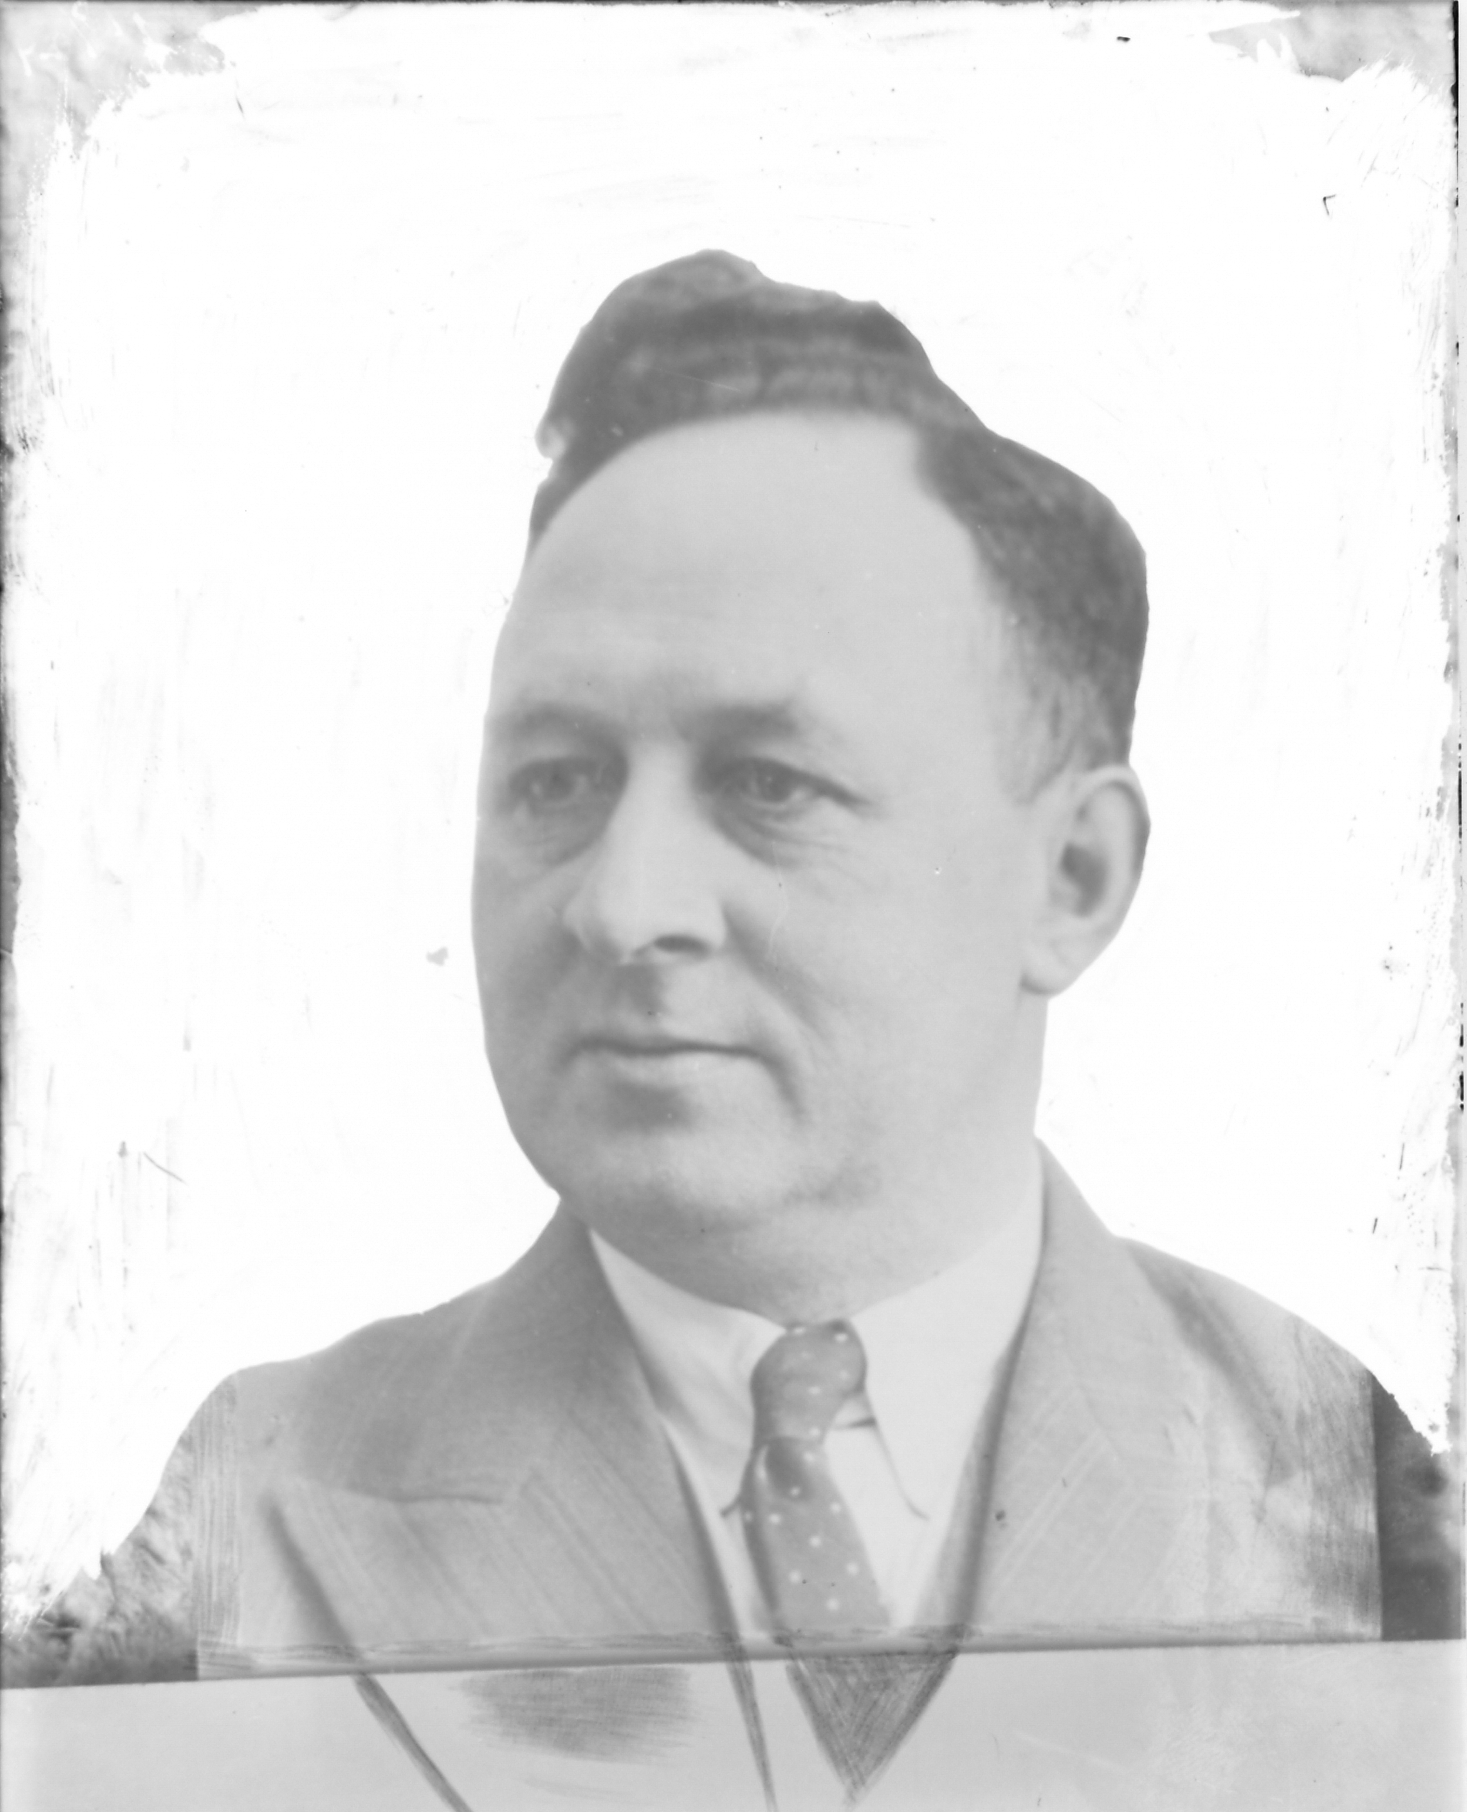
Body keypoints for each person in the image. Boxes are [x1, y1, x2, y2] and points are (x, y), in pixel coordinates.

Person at [12, 253, 1459, 1706]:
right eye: (558, 778)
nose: (621, 906)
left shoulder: (1358, 1504)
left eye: (770, 783)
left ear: (1070, 878)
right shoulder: (238, 1531)